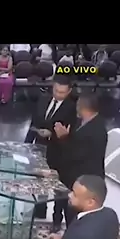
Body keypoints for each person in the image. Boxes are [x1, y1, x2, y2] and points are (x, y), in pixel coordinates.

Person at [25, 77, 77, 227]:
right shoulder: (43, 99)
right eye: (56, 90)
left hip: (58, 152)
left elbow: (71, 133)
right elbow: (34, 122)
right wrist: (27, 145)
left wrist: (52, 134)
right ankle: (40, 209)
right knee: (39, 180)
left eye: (62, 92)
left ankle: (57, 217)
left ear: (69, 91)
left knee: (58, 186)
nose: (58, 95)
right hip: (39, 148)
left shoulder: (72, 108)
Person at [53, 92, 108, 229]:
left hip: (84, 179)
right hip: (69, 175)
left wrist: (63, 138)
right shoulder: (80, 122)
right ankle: (58, 224)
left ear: (82, 107)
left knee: (74, 214)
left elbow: (76, 154)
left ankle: (73, 234)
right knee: (63, 204)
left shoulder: (97, 130)